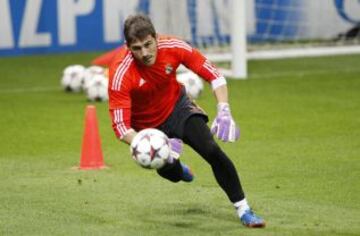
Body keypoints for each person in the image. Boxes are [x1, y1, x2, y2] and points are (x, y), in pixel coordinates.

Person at [108, 14, 265, 228]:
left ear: (156, 38)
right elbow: (120, 126)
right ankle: (178, 168)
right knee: (170, 173)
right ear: (127, 47)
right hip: (148, 129)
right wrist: (147, 142)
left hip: (178, 108)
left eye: (148, 44)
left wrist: (224, 109)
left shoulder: (174, 46)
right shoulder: (120, 73)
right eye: (137, 48)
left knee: (211, 150)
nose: (145, 53)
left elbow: (214, 75)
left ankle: (244, 209)